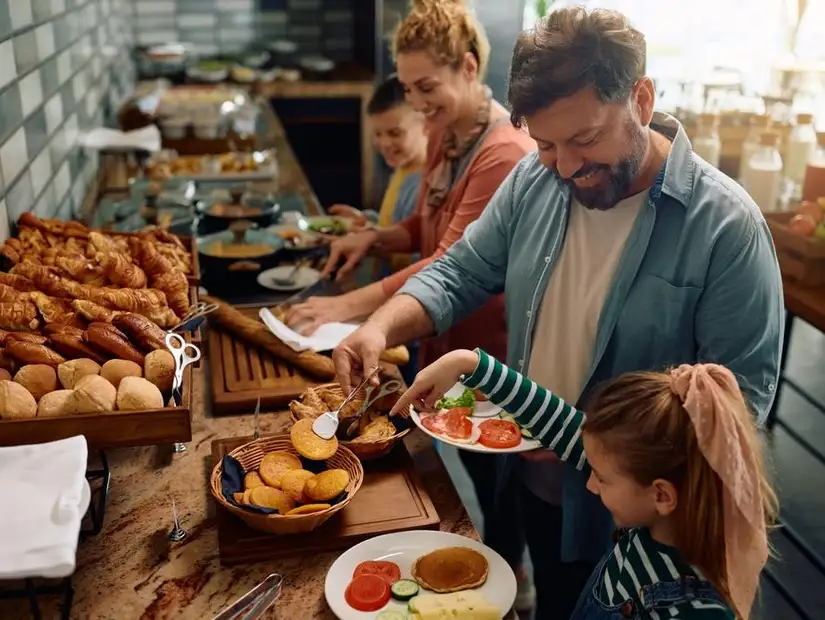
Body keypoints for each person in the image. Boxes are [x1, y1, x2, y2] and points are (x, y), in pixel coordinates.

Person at [331, 6, 783, 618]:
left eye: (586, 138)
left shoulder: (727, 228)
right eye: (546, 143)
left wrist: (607, 456)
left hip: (651, 527)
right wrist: (381, 324)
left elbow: (737, 417)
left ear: (641, 99)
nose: (566, 166)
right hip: (535, 478)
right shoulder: (532, 179)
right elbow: (461, 271)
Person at [287, 0, 537, 608]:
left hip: (492, 357)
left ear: (470, 68)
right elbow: (425, 230)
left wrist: (349, 306)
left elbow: (449, 262)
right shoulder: (448, 136)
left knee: (502, 484)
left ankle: (510, 586)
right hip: (442, 343)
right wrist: (375, 236)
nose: (418, 102)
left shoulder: (502, 152)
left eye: (428, 87)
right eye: (407, 88)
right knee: (461, 474)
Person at [391, 348, 778, 620]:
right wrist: (468, 363)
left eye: (602, 478)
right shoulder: (651, 511)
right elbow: (560, 423)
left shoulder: (693, 610)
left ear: (662, 494)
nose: (590, 485)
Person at [327, 74, 427, 278]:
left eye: (395, 133)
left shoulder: (425, 183)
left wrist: (368, 240)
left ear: (427, 124)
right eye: (378, 133)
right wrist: (366, 221)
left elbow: (416, 259)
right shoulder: (403, 168)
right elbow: (393, 225)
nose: (384, 143)